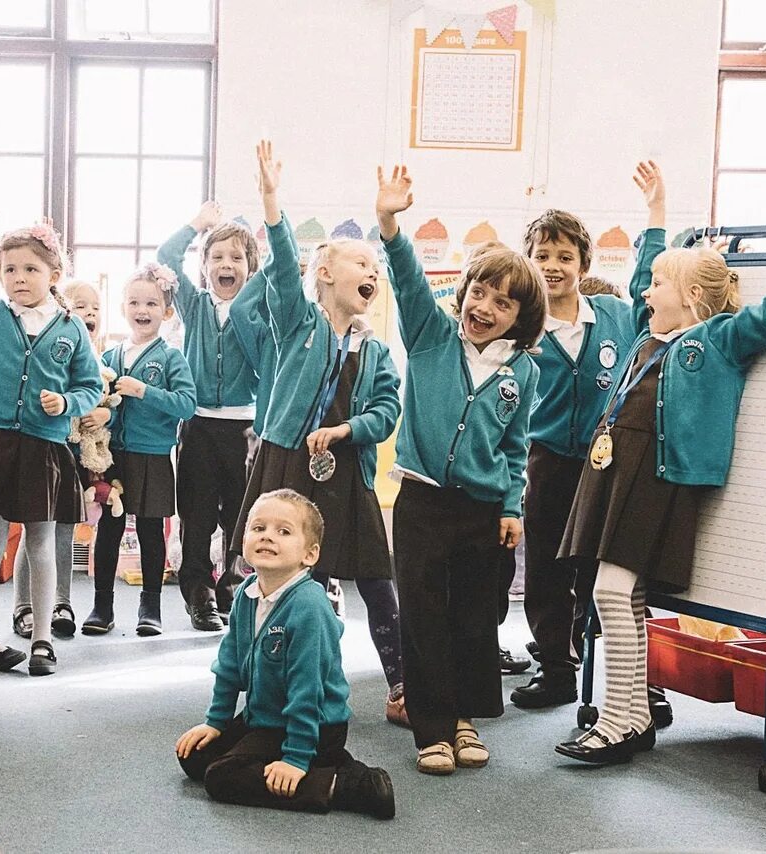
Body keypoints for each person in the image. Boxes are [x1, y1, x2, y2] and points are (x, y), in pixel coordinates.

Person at [555, 161, 766, 764]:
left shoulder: (718, 340)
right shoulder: (647, 336)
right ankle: (630, 715)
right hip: (616, 473)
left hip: (656, 479)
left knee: (611, 590)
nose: (645, 291)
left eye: (657, 283)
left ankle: (622, 720)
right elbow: (640, 282)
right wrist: (657, 213)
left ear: (693, 297)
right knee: (623, 599)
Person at [229, 140, 407, 726]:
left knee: (376, 578)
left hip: (345, 471)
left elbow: (385, 411)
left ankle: (401, 683)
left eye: (376, 270)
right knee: (283, 574)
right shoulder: (297, 322)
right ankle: (264, 682)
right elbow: (282, 268)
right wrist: (273, 203)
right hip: (286, 464)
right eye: (362, 264)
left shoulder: (376, 350)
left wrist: (348, 429)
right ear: (326, 273)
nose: (372, 274)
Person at [376, 164, 546, 775]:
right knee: (421, 614)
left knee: (474, 616)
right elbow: (404, 274)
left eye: (503, 303)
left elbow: (515, 447)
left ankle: (466, 718)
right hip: (422, 502)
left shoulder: (523, 370)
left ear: (520, 318)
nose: (485, 307)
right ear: (464, 291)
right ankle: (432, 728)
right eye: (480, 292)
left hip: (480, 509)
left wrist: (511, 508)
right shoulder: (429, 334)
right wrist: (392, 221)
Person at [0, 208, 102, 676]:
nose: (20, 278)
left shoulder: (69, 327)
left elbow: (90, 385)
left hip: (45, 447)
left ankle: (43, 638)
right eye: (9, 269)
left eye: (31, 269)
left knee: (40, 542)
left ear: (54, 274)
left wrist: (66, 403)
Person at [176, 489, 394, 819]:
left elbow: (307, 690)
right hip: (265, 716)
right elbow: (230, 666)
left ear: (310, 554)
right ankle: (326, 764)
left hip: (313, 728)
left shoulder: (308, 606)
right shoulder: (245, 597)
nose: (267, 537)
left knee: (221, 778)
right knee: (194, 757)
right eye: (258, 528)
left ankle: (346, 783)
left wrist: (295, 757)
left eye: (284, 531)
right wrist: (216, 723)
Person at [510, 210, 635, 710]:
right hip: (547, 461)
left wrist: (656, 214)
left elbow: (649, 289)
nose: (553, 265)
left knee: (603, 571)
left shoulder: (613, 314)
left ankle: (629, 685)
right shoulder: (520, 325)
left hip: (607, 462)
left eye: (565, 256)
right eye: (542, 256)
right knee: (546, 568)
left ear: (584, 262)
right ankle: (557, 670)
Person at [157, 202, 262, 631]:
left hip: (245, 428)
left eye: (236, 258)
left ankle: (232, 586)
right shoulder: (195, 304)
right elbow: (166, 257)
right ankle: (198, 592)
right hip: (198, 425)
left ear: (250, 269)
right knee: (196, 514)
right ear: (204, 267)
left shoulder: (257, 309)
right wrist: (196, 224)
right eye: (217, 257)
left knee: (240, 514)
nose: (226, 264)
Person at [81, 263, 196, 635]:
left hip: (154, 456)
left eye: (151, 303)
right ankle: (102, 606)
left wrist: (143, 390)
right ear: (123, 308)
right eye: (133, 302)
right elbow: (104, 402)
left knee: (150, 533)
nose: (141, 310)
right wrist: (101, 419)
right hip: (114, 457)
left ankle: (151, 608)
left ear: (166, 311)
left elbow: (186, 404)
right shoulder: (110, 357)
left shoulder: (171, 357)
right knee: (109, 531)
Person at [10, 278, 107, 640]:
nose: (89, 313)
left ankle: (61, 601)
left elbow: (102, 395)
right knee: (35, 530)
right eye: (81, 306)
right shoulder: (50, 341)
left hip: (79, 454)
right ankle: (23, 605)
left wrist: (104, 414)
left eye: (96, 307)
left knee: (65, 529)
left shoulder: (97, 354)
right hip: (49, 444)